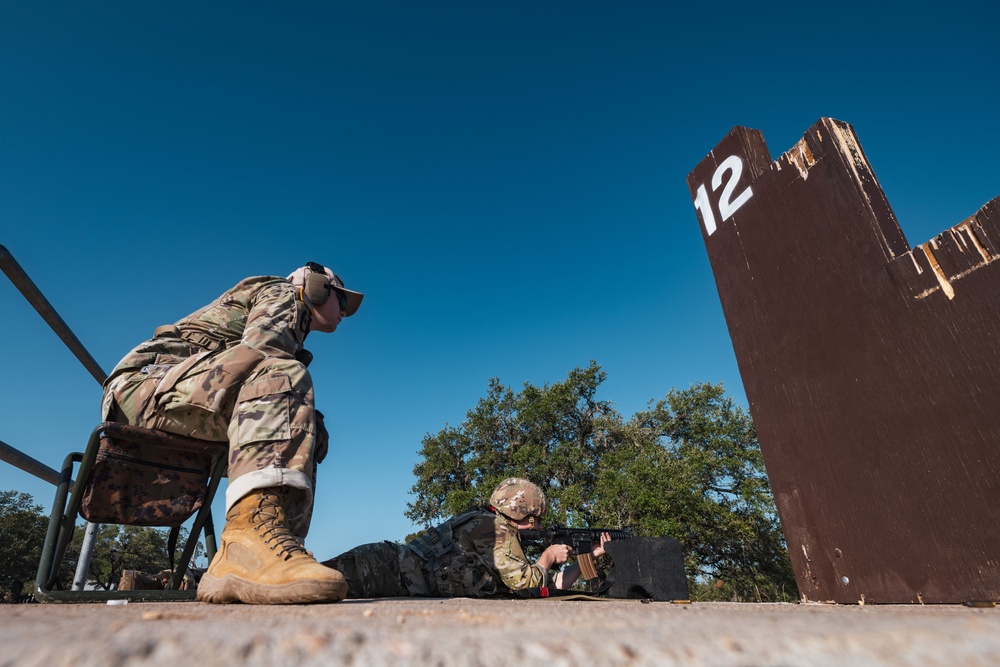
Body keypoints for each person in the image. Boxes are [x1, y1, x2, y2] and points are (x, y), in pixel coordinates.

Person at [101, 262, 363, 604]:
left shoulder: (293, 322)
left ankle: (276, 542)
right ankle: (248, 538)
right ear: (316, 288)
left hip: (177, 392)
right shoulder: (283, 293)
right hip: (143, 386)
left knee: (307, 422)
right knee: (283, 375)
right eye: (340, 300)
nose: (344, 311)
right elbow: (262, 353)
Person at [322, 478, 610, 598]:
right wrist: (547, 556)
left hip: (387, 568)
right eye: (535, 520)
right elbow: (525, 582)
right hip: (384, 570)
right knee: (307, 585)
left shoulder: (488, 523)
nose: (536, 525)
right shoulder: (494, 528)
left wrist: (591, 555)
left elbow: (548, 588)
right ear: (526, 515)